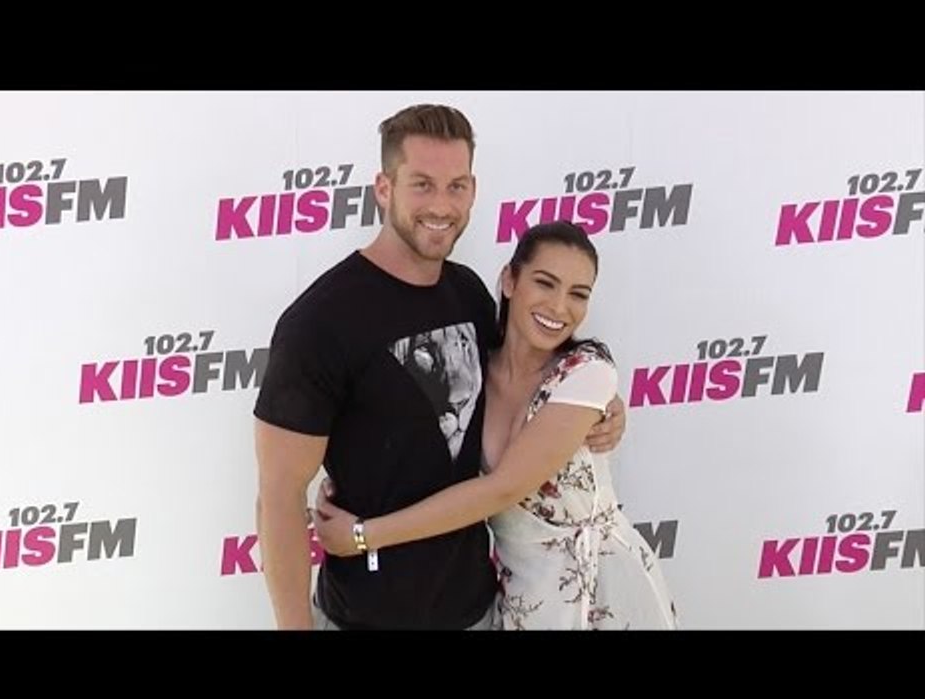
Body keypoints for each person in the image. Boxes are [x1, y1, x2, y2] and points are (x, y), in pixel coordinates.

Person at [253, 104, 627, 630]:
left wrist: (603, 406)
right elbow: (278, 497)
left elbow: (525, 375)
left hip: (477, 610)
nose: (441, 205)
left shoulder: (469, 294)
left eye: (456, 186)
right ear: (384, 188)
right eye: (422, 184)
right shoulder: (319, 323)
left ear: (472, 191)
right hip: (365, 617)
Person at [314, 220, 677, 630]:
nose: (560, 307)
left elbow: (501, 488)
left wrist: (364, 535)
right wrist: (352, 482)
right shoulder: (472, 372)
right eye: (545, 283)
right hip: (519, 599)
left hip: (600, 593)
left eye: (579, 294)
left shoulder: (587, 373)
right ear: (509, 280)